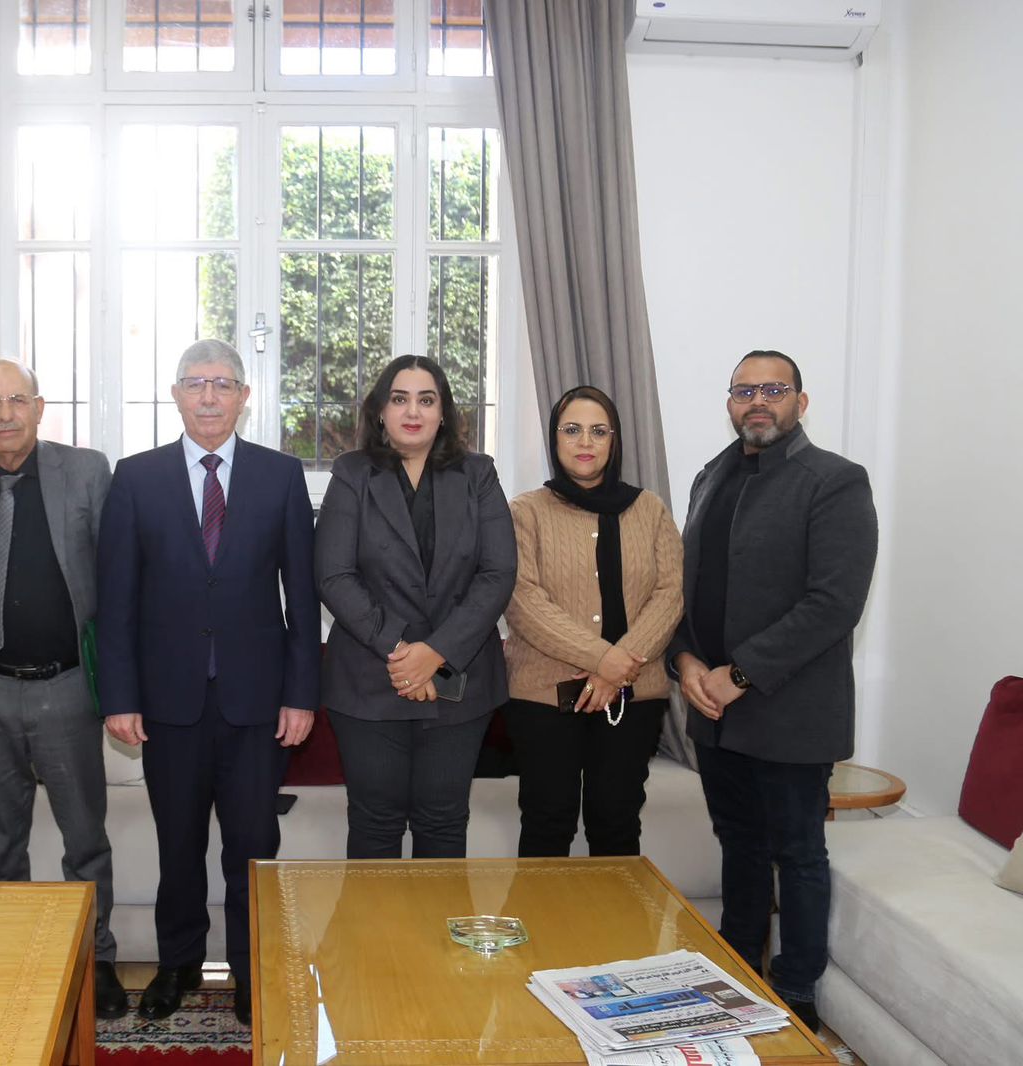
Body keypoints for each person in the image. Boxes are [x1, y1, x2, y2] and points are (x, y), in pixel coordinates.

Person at [96, 339, 319, 1027]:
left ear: (244, 396)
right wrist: (120, 698)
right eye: (196, 384)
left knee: (252, 849)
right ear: (176, 395)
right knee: (179, 846)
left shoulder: (281, 476)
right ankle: (178, 965)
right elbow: (115, 602)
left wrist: (301, 693)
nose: (209, 397)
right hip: (169, 705)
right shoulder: (136, 478)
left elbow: (302, 598)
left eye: (223, 384)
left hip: (257, 705)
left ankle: (252, 972)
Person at [669, 350, 877, 1031]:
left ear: (800, 402)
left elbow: (834, 604)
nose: (758, 401)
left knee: (797, 853)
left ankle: (795, 995)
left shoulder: (836, 481)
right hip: (715, 712)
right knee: (739, 844)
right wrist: (685, 660)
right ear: (730, 403)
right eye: (744, 390)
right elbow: (689, 588)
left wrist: (739, 674)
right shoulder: (710, 476)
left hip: (792, 712)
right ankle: (736, 972)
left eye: (774, 389)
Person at [0, 358, 126, 1019]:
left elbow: (117, 584)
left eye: (18, 400)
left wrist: (120, 684)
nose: (6, 413)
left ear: (40, 408)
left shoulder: (87, 472)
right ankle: (11, 952)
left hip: (65, 687)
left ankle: (97, 959)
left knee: (84, 838)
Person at [314, 355, 517, 859]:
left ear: (443, 412)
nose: (413, 411)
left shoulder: (478, 474)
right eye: (399, 399)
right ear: (380, 412)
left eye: (426, 400)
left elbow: (497, 574)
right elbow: (333, 575)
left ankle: (437, 922)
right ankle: (374, 923)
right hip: (369, 678)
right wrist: (404, 651)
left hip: (458, 678)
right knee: (374, 824)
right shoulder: (352, 473)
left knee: (443, 823)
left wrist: (437, 653)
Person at [501, 385, 684, 858]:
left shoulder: (650, 510)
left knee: (616, 823)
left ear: (614, 441)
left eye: (599, 431)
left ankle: (617, 913)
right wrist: (604, 659)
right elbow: (522, 600)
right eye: (572, 430)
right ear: (555, 439)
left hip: (633, 696)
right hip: (544, 696)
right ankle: (542, 914)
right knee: (547, 822)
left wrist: (619, 667)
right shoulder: (524, 512)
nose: (585, 441)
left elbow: (671, 594)